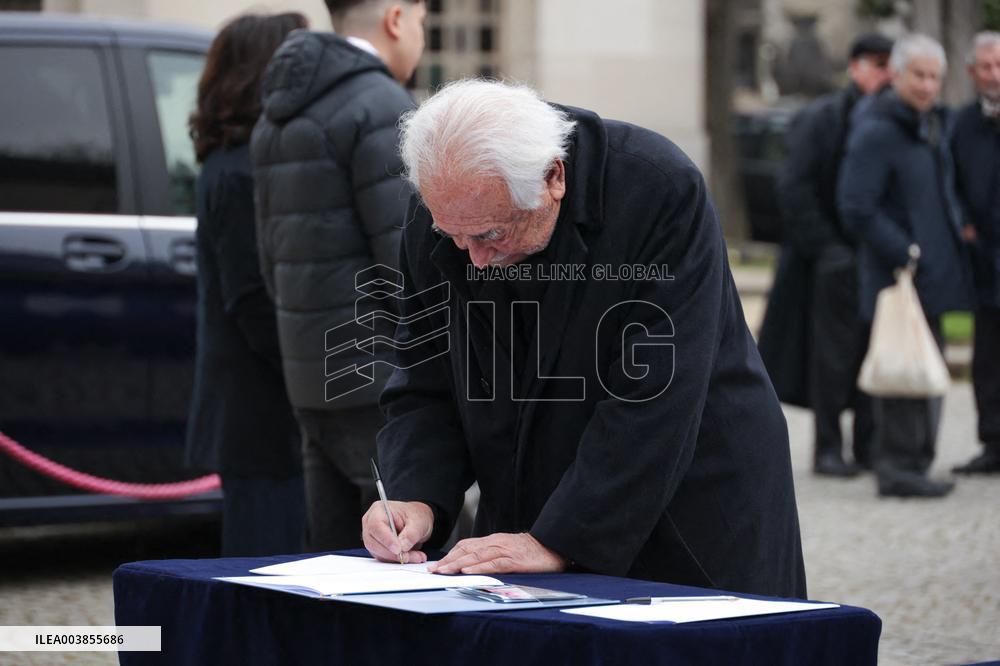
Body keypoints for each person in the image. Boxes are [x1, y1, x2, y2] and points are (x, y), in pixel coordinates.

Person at [361, 80, 807, 598]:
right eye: (453, 237)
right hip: (531, 503)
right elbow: (427, 374)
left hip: (685, 498)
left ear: (554, 178)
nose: (473, 258)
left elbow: (657, 393)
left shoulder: (657, 188)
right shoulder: (450, 212)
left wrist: (563, 538)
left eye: (490, 236)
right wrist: (415, 495)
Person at [251, 0, 425, 551]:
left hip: (309, 370)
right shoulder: (379, 105)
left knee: (332, 559)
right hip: (377, 376)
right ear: (397, 17)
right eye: (424, 20)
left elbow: (269, 260)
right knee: (411, 555)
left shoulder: (278, 113)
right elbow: (408, 264)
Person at [185, 12, 309, 556]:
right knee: (265, 569)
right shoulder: (237, 170)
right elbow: (251, 298)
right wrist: (312, 370)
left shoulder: (236, 162)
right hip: (259, 416)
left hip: (259, 412)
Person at [838, 34, 973, 498]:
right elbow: (855, 205)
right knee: (902, 371)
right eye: (919, 74)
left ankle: (914, 463)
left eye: (935, 76)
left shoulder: (928, 124)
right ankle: (898, 469)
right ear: (896, 74)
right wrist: (906, 252)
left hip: (929, 276)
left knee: (924, 368)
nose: (928, 84)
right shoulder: (876, 128)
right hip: (897, 278)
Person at [759, 34, 893, 478]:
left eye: (890, 64)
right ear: (855, 67)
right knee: (830, 357)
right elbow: (794, 187)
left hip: (876, 257)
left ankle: (870, 445)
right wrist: (830, 249)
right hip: (829, 260)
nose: (885, 72)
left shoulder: (894, 118)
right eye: (877, 63)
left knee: (874, 351)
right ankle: (829, 447)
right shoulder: (822, 118)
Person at [951, 31, 1000, 475]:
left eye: (999, 66)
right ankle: (992, 443)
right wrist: (961, 220)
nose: (994, 75)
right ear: (972, 73)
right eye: (985, 67)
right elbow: (950, 181)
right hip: (984, 262)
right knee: (986, 362)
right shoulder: (962, 124)